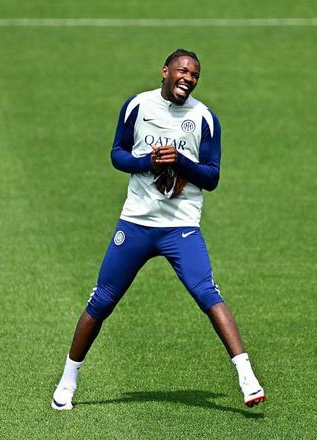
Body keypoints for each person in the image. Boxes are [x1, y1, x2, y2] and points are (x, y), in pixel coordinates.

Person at [51, 49, 265, 411]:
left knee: (207, 293)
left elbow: (212, 177)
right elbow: (117, 154)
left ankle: (247, 376)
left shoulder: (205, 119)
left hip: (180, 226)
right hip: (136, 222)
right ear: (165, 72)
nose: (188, 79)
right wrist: (147, 162)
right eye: (182, 71)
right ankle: (67, 381)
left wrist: (180, 162)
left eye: (194, 75)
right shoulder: (137, 107)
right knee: (102, 301)